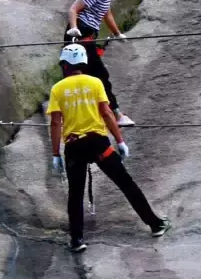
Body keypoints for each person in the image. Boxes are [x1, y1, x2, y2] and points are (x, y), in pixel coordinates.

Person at [47, 44, 171, 252]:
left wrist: (55, 154)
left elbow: (55, 123)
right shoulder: (95, 83)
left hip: (74, 146)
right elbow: (106, 113)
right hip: (98, 143)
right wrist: (120, 140)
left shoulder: (58, 89)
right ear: (83, 63)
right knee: (125, 183)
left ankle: (77, 239)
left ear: (65, 65)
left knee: (75, 194)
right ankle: (155, 223)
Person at [66, 0, 136, 126]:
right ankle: (117, 115)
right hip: (80, 34)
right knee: (98, 75)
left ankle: (104, 114)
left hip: (88, 35)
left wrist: (117, 33)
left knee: (93, 77)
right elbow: (73, 9)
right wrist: (74, 29)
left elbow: (106, 13)